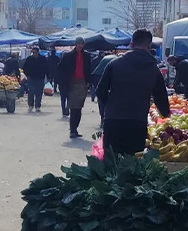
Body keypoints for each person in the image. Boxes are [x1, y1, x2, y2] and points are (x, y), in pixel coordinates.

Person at [96, 29, 171, 158]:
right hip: (137, 122)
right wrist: (165, 113)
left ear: (131, 45)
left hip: (113, 121)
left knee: (110, 166)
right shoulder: (153, 69)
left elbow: (100, 91)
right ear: (149, 47)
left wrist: (109, 107)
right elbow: (161, 97)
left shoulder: (114, 64)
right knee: (133, 165)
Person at [56, 38, 95, 139]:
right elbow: (60, 68)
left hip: (82, 83)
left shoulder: (86, 56)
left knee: (79, 107)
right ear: (75, 44)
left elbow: (88, 69)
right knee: (74, 107)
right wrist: (63, 82)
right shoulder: (68, 56)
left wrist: (88, 82)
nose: (80, 46)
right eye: (78, 44)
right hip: (72, 83)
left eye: (82, 44)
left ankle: (75, 128)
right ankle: (72, 130)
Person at [21, 46, 49, 112]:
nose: (34, 54)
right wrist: (28, 75)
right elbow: (24, 68)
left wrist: (47, 76)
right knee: (31, 92)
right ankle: (30, 105)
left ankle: (37, 106)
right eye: (33, 52)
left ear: (38, 52)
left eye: (35, 52)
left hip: (40, 78)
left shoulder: (43, 59)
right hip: (31, 78)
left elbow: (46, 68)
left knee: (39, 93)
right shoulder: (29, 59)